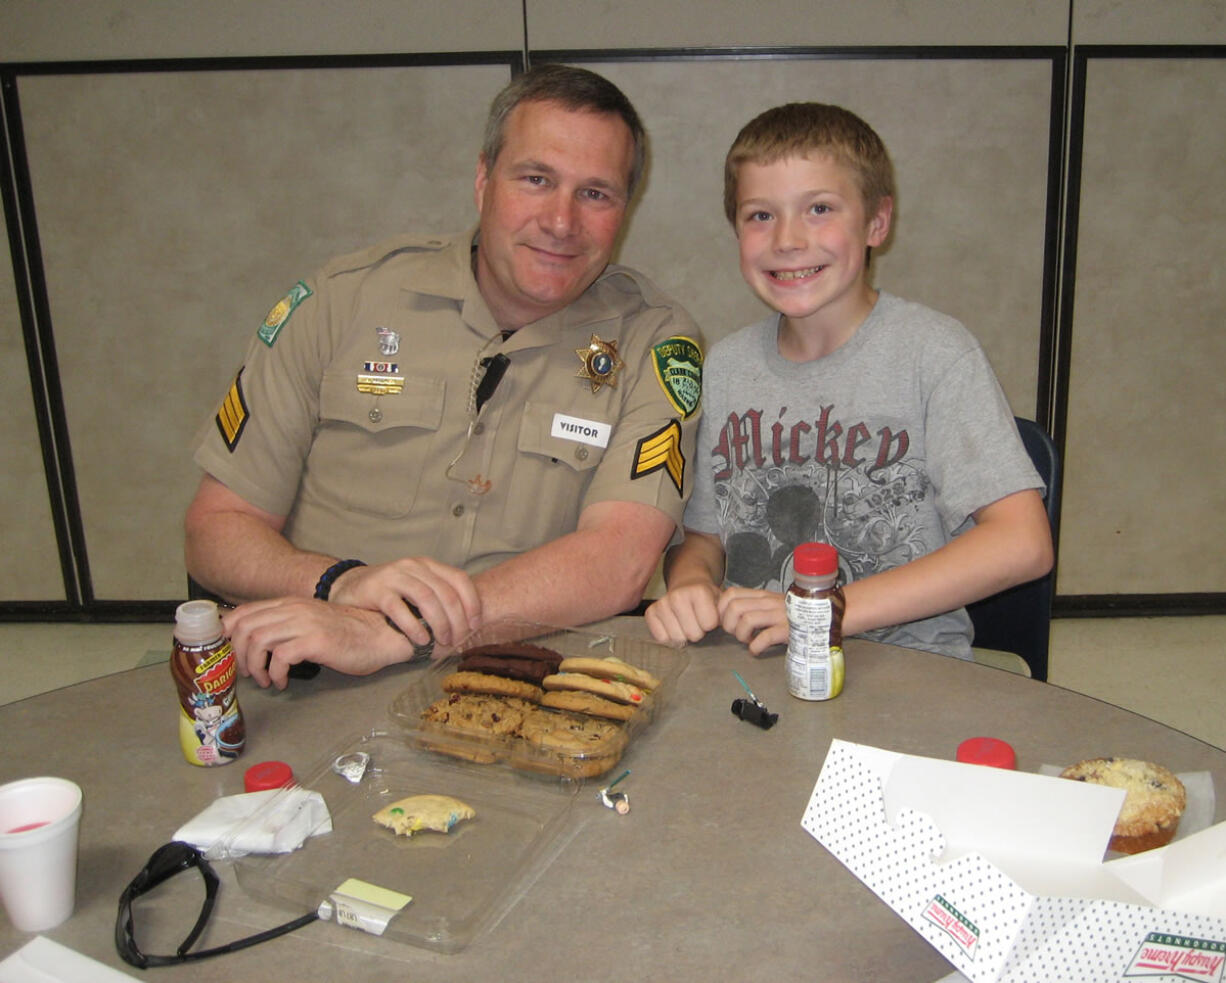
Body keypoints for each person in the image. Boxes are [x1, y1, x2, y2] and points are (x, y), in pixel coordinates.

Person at [185, 65, 704, 688]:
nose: (562, 222)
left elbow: (619, 558)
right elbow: (216, 530)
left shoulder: (656, 341)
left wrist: (400, 631)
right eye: (536, 179)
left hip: (519, 681)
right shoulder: (341, 301)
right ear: (484, 180)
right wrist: (341, 582)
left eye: (595, 194)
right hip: (315, 673)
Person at [645, 102, 1052, 660]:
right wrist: (691, 583)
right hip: (759, 666)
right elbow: (704, 537)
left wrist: (827, 609)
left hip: (907, 671)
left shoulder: (934, 353)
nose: (787, 239)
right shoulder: (725, 369)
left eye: (819, 208)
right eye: (760, 215)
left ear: (877, 223)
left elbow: (1022, 542)